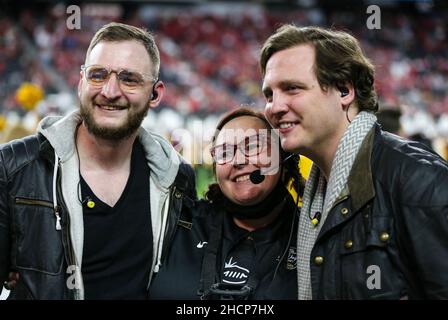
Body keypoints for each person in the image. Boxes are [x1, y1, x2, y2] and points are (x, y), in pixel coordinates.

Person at [0, 22, 196, 299]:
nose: (110, 91)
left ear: (155, 93)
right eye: (98, 75)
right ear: (81, 83)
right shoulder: (13, 168)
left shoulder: (177, 178)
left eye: (129, 79)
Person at [260, 24, 448, 299]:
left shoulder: (417, 180)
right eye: (269, 94)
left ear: (344, 90)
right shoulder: (318, 190)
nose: (274, 107)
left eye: (292, 88)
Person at [149, 107, 303, 300]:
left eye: (253, 146)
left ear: (284, 157)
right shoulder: (179, 221)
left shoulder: (312, 235)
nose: (238, 160)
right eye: (224, 152)